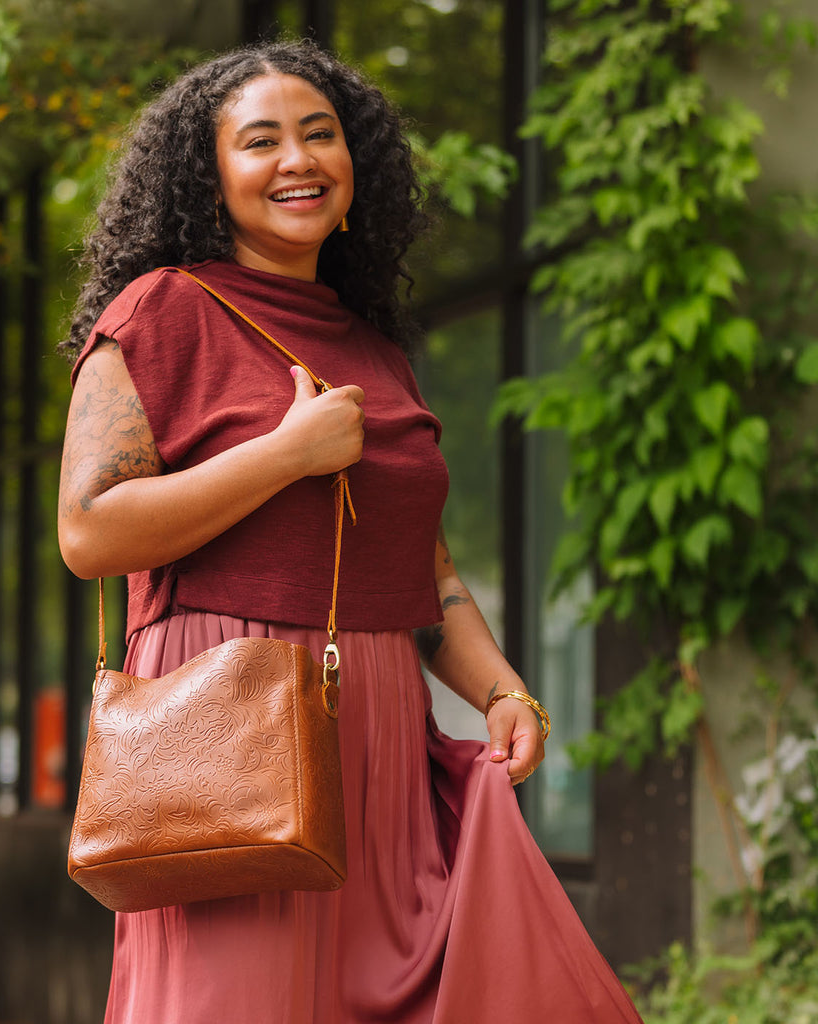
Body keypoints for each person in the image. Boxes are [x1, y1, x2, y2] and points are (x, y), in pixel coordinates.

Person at [58, 38, 644, 1024]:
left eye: (320, 135)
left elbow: (425, 567)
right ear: (212, 176)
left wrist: (500, 690)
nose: (297, 160)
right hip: (226, 732)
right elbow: (88, 531)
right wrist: (284, 454)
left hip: (378, 734)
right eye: (261, 141)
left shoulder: (373, 346)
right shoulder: (161, 311)